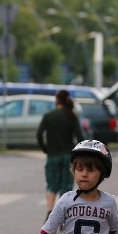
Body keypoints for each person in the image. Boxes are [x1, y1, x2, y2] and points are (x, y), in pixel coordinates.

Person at [37, 89, 83, 218]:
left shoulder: (49, 115)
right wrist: (80, 152)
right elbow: (80, 136)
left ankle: (50, 211)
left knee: (52, 184)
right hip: (69, 155)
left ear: (57, 100)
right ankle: (63, 214)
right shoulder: (72, 116)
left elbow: (39, 134)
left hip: (52, 154)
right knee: (66, 185)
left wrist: (45, 148)